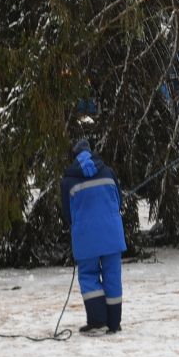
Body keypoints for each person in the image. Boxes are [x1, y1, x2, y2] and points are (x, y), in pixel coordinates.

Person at [61, 137, 126, 335]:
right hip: (112, 233)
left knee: (89, 276)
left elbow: (66, 213)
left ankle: (98, 323)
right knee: (112, 275)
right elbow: (119, 200)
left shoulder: (68, 181)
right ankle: (114, 323)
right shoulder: (108, 172)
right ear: (91, 153)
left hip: (86, 235)